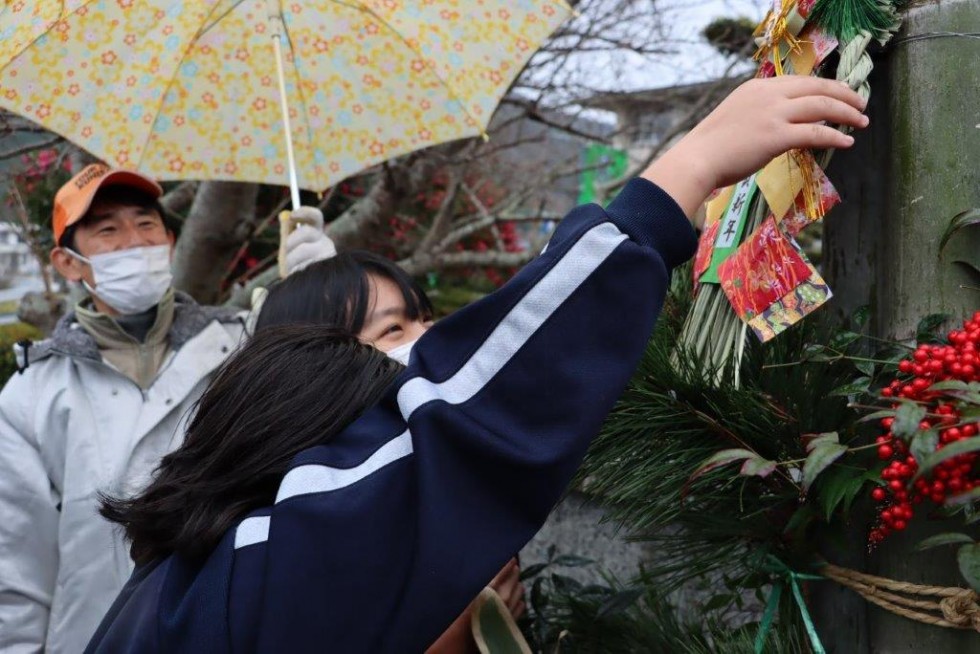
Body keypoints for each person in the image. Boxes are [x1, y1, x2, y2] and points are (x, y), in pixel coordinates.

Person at [85, 76, 870, 652]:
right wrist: (682, 172)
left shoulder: (188, 587)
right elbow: (466, 413)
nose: (422, 357)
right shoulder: (262, 572)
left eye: (423, 322)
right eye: (395, 338)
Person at [0, 163, 336, 653]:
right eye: (108, 230)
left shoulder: (244, 345)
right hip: (98, 638)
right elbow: (17, 567)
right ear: (68, 262)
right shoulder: (31, 396)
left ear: (170, 242)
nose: (134, 242)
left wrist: (321, 299)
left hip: (235, 627)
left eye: (146, 223)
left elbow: (333, 403)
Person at [255, 252, 527, 653]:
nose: (431, 336)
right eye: (394, 328)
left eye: (426, 317)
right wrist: (457, 633)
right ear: (312, 368)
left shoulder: (449, 469)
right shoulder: (302, 526)